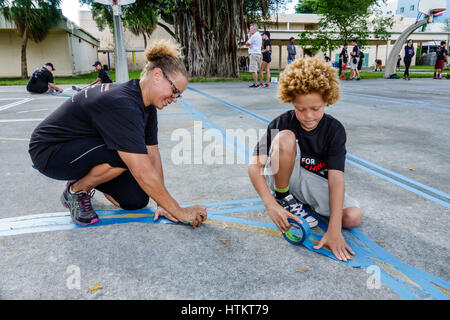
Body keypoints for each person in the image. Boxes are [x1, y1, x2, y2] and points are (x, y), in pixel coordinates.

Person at [28, 40, 207, 228]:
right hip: (49, 151)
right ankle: (76, 191)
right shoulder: (123, 103)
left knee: (135, 200)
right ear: (157, 76)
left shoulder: (147, 106)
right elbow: (142, 170)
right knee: (130, 156)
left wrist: (163, 205)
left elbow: (153, 153)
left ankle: (84, 178)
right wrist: (178, 211)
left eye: (179, 95)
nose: (175, 99)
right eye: (174, 91)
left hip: (84, 148)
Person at [248, 56, 362, 262]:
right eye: (300, 109)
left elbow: (336, 178)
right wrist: (270, 205)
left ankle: (299, 201)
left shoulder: (335, 130)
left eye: (316, 108)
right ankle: (283, 198)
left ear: (327, 100)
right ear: (291, 100)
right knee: (285, 137)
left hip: (312, 180)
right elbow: (254, 166)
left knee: (352, 218)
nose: (308, 116)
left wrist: (334, 229)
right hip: (286, 176)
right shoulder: (280, 122)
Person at [245, 23, 262, 88]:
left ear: (254, 29)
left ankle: (255, 84)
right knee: (257, 69)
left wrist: (250, 37)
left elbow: (247, 43)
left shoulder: (254, 36)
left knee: (253, 69)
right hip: (258, 53)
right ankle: (258, 83)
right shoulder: (259, 35)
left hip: (254, 54)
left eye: (251, 29)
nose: (250, 30)